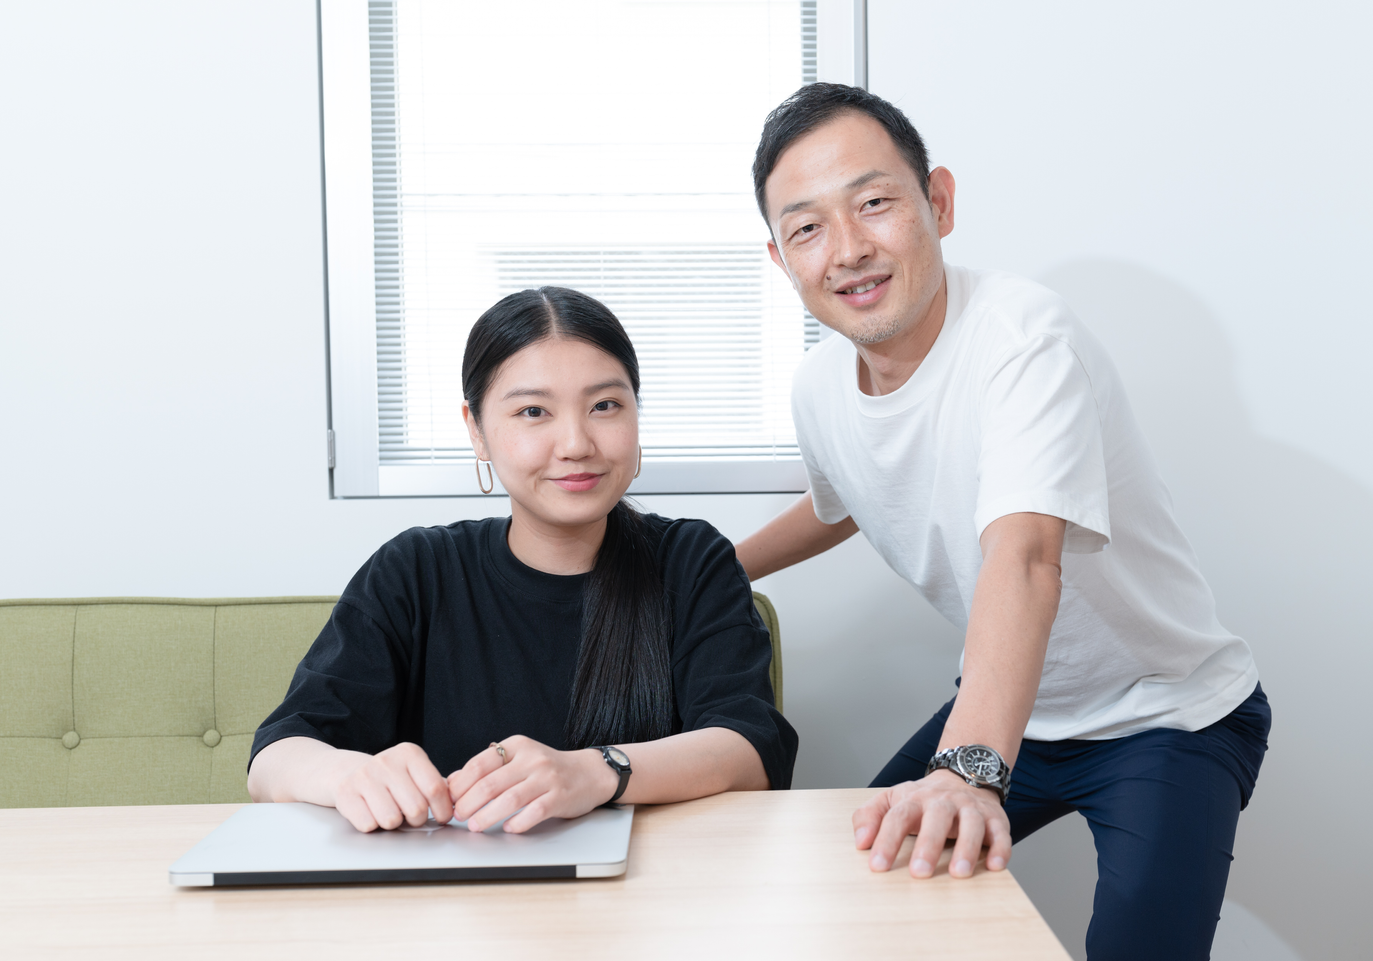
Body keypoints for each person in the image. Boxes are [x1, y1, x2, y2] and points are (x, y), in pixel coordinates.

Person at [735, 83, 1269, 960]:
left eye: (874, 203)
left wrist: (966, 767)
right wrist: (715, 568)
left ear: (938, 202)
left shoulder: (1022, 340)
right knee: (847, 894)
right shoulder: (820, 387)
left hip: (1167, 715)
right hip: (1024, 711)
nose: (849, 249)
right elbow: (849, 499)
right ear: (780, 257)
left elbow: (1025, 558)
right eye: (807, 227)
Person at [249, 286, 796, 835]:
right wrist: (350, 774)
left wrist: (597, 770)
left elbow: (752, 749)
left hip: (653, 878)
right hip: (447, 884)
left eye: (605, 406)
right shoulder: (414, 571)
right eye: (533, 411)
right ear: (476, 430)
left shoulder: (691, 560)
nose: (576, 443)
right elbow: (275, 757)